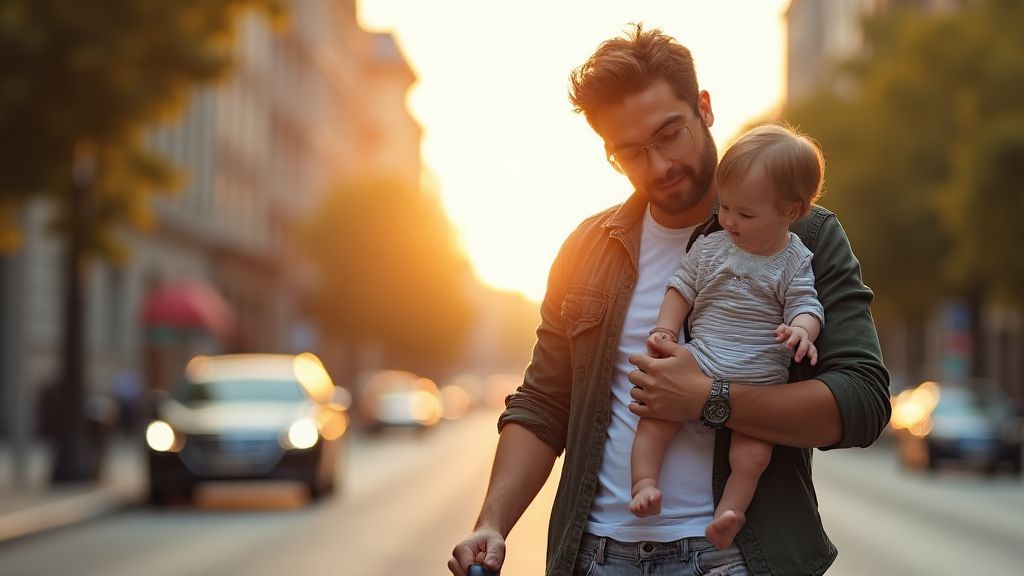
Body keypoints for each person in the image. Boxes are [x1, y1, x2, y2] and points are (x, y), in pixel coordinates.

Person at [448, 23, 890, 576]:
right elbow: (543, 403)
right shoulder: (586, 248)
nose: (657, 165)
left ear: (703, 107)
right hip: (594, 556)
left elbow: (862, 401)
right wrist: (492, 521)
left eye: (669, 134)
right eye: (629, 152)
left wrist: (710, 397)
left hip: (736, 558)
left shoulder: (804, 237)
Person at [631, 124, 826, 555]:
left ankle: (728, 516)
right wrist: (665, 328)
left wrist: (801, 331)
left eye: (746, 214)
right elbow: (681, 288)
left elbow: (808, 306)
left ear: (791, 212)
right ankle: (644, 482)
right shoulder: (710, 247)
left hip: (757, 381)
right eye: (726, 207)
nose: (730, 221)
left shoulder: (795, 259)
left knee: (753, 457)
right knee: (655, 418)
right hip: (700, 358)